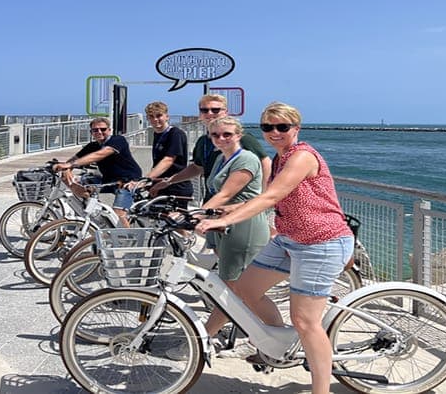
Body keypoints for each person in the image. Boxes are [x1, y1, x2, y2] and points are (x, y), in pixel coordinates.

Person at [195, 102, 354, 394]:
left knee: (306, 321)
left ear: (296, 128)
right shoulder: (280, 158)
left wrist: (226, 219)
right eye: (268, 127)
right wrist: (211, 213)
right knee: (244, 290)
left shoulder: (302, 156)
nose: (275, 132)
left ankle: (321, 391)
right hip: (289, 238)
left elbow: (272, 196)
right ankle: (277, 344)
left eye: (283, 127)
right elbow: (267, 196)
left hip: (321, 242)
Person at [168, 117, 268, 359]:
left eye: (227, 134)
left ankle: (202, 340)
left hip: (243, 227)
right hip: (224, 226)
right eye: (215, 135)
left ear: (239, 135)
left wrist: (192, 214)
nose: (221, 138)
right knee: (234, 288)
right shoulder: (222, 159)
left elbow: (225, 194)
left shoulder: (245, 159)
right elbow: (215, 192)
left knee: (230, 290)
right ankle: (258, 337)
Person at [151, 93, 273, 240]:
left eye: (216, 110)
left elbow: (265, 163)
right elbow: (197, 167)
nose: (210, 114)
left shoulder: (240, 138)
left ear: (225, 112)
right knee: (215, 246)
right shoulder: (203, 141)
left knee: (238, 250)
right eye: (205, 110)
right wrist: (169, 181)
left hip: (236, 206)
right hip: (212, 203)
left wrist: (262, 198)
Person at [53, 117, 142, 227]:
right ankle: (92, 214)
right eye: (95, 130)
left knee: (118, 213)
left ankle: (128, 239)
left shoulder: (118, 140)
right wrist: (66, 169)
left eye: (103, 129)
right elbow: (73, 159)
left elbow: (100, 154)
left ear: (109, 130)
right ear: (91, 132)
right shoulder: (92, 146)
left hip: (128, 180)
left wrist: (71, 165)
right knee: (74, 181)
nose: (99, 132)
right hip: (108, 180)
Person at [137, 101, 193, 204]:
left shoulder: (175, 134)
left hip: (176, 186)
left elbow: (168, 160)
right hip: (160, 185)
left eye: (159, 116)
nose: (155, 119)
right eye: (151, 117)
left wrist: (146, 179)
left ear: (167, 116)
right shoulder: (156, 134)